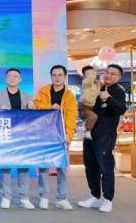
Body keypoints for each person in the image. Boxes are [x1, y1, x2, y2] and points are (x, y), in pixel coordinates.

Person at [78, 64, 126, 213]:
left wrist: (109, 98)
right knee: (90, 165)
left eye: (113, 74)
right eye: (107, 72)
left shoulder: (118, 91)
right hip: (90, 134)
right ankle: (95, 195)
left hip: (105, 135)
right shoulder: (98, 86)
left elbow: (121, 110)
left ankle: (107, 199)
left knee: (105, 167)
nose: (109, 75)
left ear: (119, 77)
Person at [33, 65, 77, 211]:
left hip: (61, 135)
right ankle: (44, 197)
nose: (57, 78)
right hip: (44, 134)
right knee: (44, 166)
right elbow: (36, 105)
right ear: (51, 76)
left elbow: (71, 116)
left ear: (65, 77)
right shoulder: (44, 91)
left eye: (60, 75)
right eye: (54, 75)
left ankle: (61, 198)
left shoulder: (69, 96)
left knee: (62, 167)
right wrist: (50, 106)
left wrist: (69, 135)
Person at [0, 68, 36, 210]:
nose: (12, 79)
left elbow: (33, 117)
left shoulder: (27, 96)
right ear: (5, 78)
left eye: (15, 76)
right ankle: (6, 197)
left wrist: (33, 107)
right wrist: (0, 110)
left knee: (23, 167)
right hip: (5, 135)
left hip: (22, 136)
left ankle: (24, 198)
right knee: (5, 167)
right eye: (9, 76)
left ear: (20, 79)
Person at [79, 65, 100, 140]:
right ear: (84, 75)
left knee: (95, 118)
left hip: (92, 106)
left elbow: (105, 85)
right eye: (87, 73)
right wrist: (94, 71)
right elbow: (90, 79)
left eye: (91, 73)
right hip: (84, 106)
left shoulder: (96, 84)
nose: (90, 75)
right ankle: (87, 132)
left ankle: (90, 131)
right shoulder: (85, 82)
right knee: (93, 117)